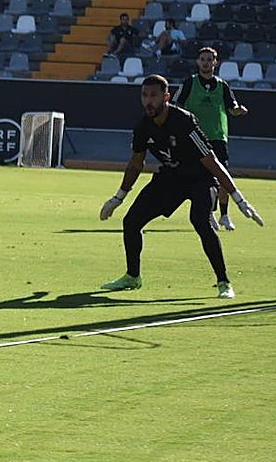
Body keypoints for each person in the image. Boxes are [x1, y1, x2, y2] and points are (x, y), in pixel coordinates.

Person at [97, 75, 264, 299]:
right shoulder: (143, 126)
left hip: (201, 179)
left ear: (166, 97)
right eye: (144, 95)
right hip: (171, 179)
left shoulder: (184, 122)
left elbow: (211, 161)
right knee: (131, 221)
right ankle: (132, 276)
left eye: (154, 95)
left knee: (200, 220)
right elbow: (136, 162)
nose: (148, 101)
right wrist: (118, 197)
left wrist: (238, 198)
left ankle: (224, 282)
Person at [176, 47, 248, 231]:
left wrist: (238, 111)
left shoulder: (222, 85)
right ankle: (208, 213)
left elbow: (232, 107)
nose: (206, 62)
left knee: (222, 177)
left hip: (217, 138)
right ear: (198, 62)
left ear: (215, 62)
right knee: (199, 180)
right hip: (195, 138)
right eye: (203, 59)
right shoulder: (190, 83)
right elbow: (177, 106)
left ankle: (224, 215)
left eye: (210, 59)